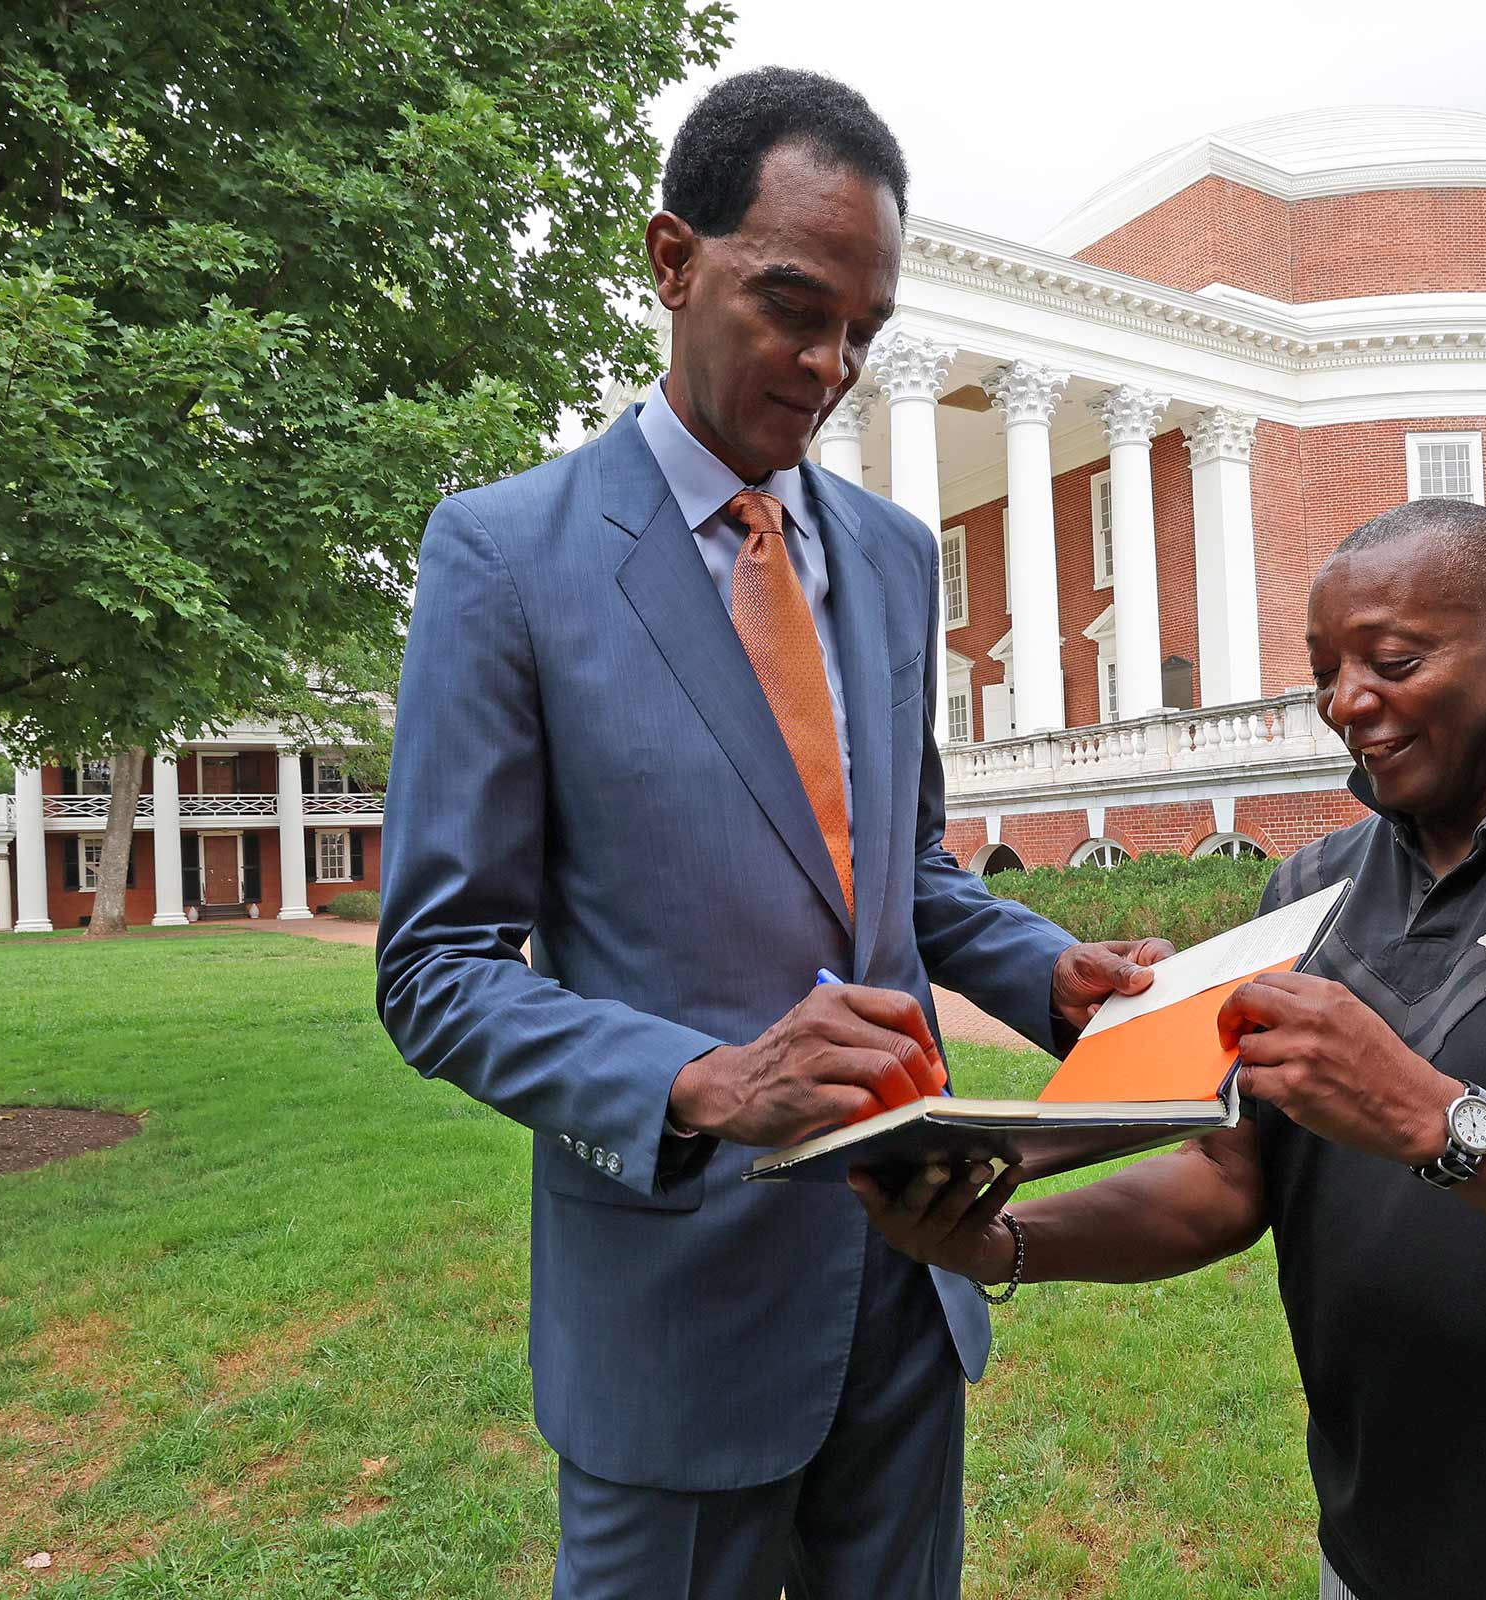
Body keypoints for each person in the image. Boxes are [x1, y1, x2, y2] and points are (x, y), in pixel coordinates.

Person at [376, 66, 1164, 1600]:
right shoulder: (503, 558)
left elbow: (905, 872)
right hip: (676, 1307)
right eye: (795, 307)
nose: (828, 365)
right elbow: (437, 967)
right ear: (674, 261)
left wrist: (1050, 977)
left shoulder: (885, 555)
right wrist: (708, 1082)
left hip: (910, 1284)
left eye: (864, 333)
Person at [860, 498, 1486, 1599]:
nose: (1347, 702)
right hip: (1382, 1557)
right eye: (1325, 669)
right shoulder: (1308, 894)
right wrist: (1004, 1241)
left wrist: (1434, 1119)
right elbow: (1230, 1176)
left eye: (1393, 660)